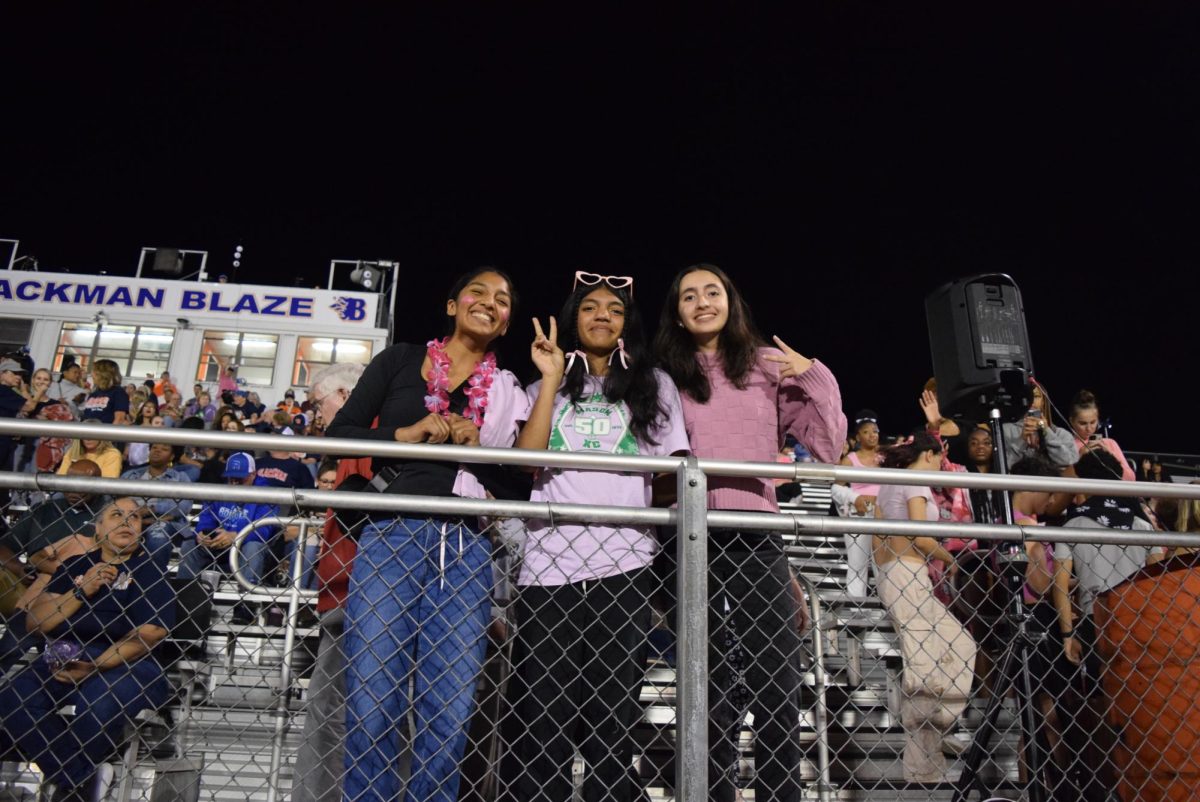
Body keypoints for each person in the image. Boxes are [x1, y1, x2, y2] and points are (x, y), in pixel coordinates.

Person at [326, 268, 528, 802]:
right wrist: (406, 434)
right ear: (451, 305)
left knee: (449, 713)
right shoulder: (398, 360)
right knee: (372, 704)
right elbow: (336, 434)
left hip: (467, 547)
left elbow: (521, 482)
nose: (489, 303)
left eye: (502, 300)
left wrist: (478, 450)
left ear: (507, 322)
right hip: (391, 536)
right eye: (478, 293)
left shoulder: (505, 391)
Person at [653, 263, 842, 802]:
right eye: (689, 296)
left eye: (713, 292)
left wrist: (813, 374)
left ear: (732, 302)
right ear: (678, 315)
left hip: (756, 533)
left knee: (775, 679)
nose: (702, 302)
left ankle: (780, 792)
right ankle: (707, 792)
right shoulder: (665, 372)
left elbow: (827, 449)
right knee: (705, 682)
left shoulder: (766, 365)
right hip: (689, 537)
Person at [501, 274, 690, 801]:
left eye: (614, 308)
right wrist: (549, 376)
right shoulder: (546, 385)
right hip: (547, 561)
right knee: (544, 704)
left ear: (628, 321)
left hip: (624, 560)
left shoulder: (655, 385)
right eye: (589, 307)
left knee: (613, 706)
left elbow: (675, 472)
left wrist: (624, 507)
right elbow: (527, 459)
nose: (602, 315)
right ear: (573, 319)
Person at [0, 497, 174, 801]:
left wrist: (94, 667)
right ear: (98, 528)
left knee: (99, 699)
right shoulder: (75, 566)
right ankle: (80, 779)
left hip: (127, 662)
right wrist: (81, 591)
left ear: (141, 531)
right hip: (64, 652)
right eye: (116, 515)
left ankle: (69, 788)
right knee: (13, 698)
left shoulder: (150, 569)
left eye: (133, 518)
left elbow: (149, 634)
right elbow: (36, 621)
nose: (125, 521)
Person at [874, 430, 977, 783]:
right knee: (923, 668)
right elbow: (919, 534)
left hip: (895, 573)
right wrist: (950, 559)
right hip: (908, 572)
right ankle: (922, 767)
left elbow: (876, 533)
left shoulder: (887, 482)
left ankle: (939, 730)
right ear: (931, 455)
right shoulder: (916, 482)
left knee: (958, 645)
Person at [1052, 446, 1154, 801]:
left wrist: (1067, 633)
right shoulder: (1142, 523)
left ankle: (1102, 786)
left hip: (1095, 622)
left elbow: (1060, 584)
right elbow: (1157, 573)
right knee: (1140, 708)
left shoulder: (1072, 522)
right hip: (1139, 624)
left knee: (1098, 709)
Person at [292, 363, 370, 802]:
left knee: (332, 713)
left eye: (318, 404)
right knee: (331, 712)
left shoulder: (363, 441)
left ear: (343, 394)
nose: (315, 416)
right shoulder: (348, 447)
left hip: (356, 596)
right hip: (343, 595)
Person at [0, 459, 105, 670]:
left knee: (56, 662)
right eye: (69, 482)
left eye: (81, 484)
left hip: (79, 595)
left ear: (96, 484)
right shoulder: (44, 510)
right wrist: (19, 569)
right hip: (31, 590)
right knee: (10, 647)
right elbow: (4, 547)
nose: (73, 490)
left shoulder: (106, 514)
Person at [177, 452, 280, 594]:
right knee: (190, 544)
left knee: (253, 547)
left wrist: (236, 536)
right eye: (232, 478)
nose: (235, 483)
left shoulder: (267, 494)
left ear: (253, 474)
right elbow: (207, 518)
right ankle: (183, 599)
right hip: (220, 548)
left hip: (248, 550)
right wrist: (203, 534)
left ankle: (244, 610)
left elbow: (263, 531)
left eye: (240, 479)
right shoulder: (221, 491)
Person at [120, 442, 194, 568]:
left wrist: (150, 509)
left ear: (172, 456)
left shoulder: (180, 478)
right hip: (130, 521)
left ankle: (155, 576)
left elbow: (183, 507)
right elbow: (116, 502)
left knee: (158, 532)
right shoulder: (131, 475)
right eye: (154, 448)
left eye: (164, 448)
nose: (157, 451)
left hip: (165, 525)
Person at [835, 410, 883, 598]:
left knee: (884, 563)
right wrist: (854, 498)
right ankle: (856, 605)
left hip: (882, 515)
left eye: (875, 431)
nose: (872, 435)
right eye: (866, 432)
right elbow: (836, 489)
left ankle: (888, 604)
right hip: (860, 514)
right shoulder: (850, 460)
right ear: (857, 436)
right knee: (857, 563)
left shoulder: (885, 459)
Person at [1001, 379, 1076, 469]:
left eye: (1036, 396)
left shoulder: (1061, 434)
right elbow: (1004, 467)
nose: (1032, 400)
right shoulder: (1005, 430)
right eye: (1028, 396)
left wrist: (1047, 431)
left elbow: (1069, 462)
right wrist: (1021, 440)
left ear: (1043, 401)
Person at [1067, 389, 1135, 481]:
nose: (1089, 428)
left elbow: (1131, 479)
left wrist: (1110, 456)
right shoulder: (1066, 445)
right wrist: (1079, 457)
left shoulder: (1110, 443)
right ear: (1072, 421)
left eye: (1093, 422)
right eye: (1083, 423)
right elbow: (1062, 484)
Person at [80, 358, 131, 425]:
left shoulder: (118, 392)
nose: (92, 374)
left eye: (94, 371)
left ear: (102, 373)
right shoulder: (94, 394)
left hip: (104, 433)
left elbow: (119, 419)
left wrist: (108, 434)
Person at [57, 428, 123, 478]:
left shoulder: (112, 454)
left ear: (101, 436)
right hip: (70, 490)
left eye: (92, 435)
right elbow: (61, 477)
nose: (88, 439)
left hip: (99, 493)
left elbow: (107, 484)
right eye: (84, 435)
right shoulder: (72, 452)